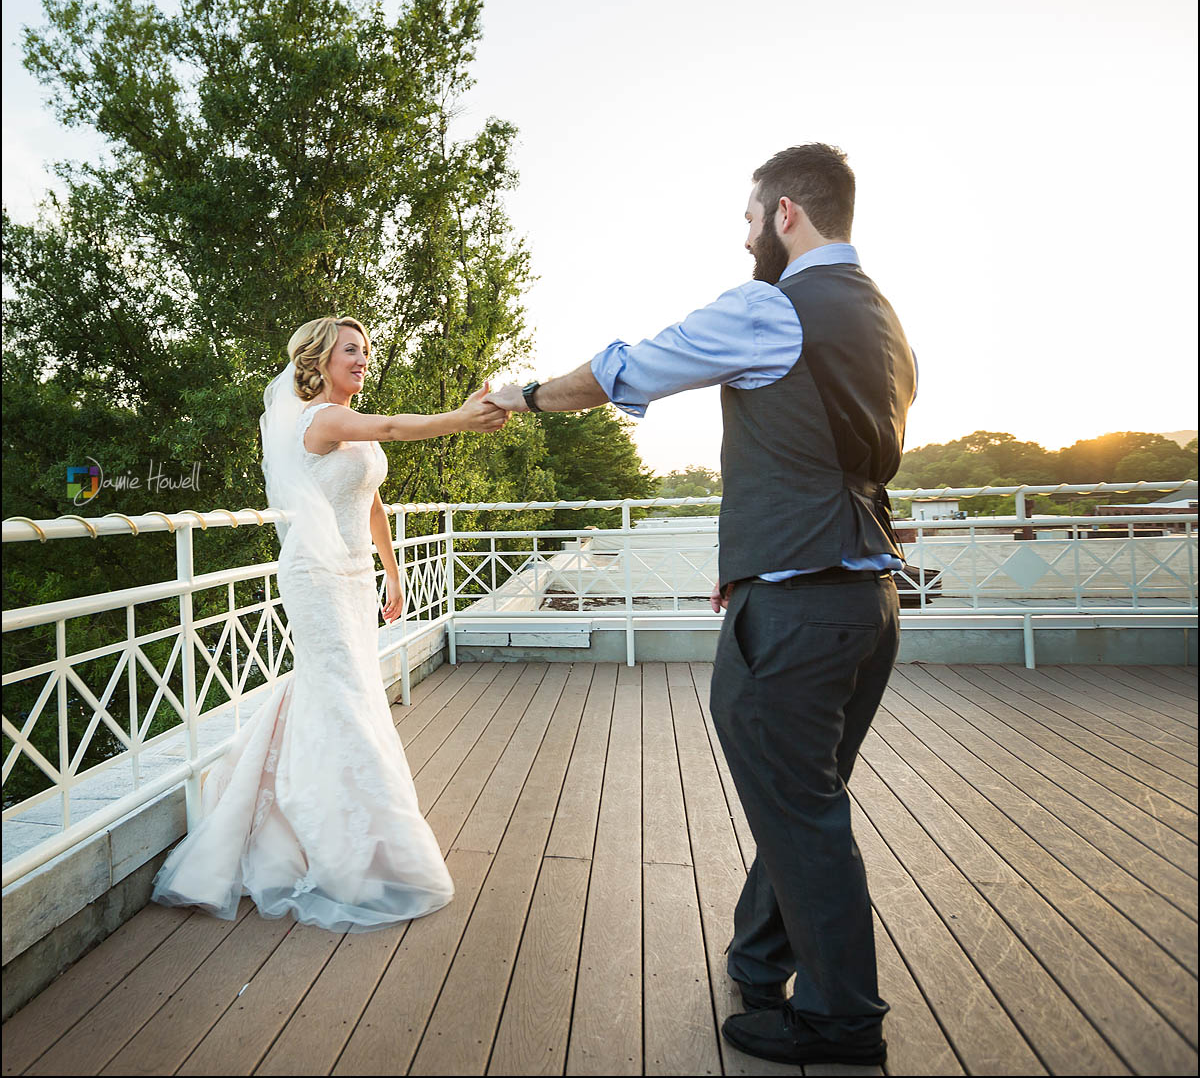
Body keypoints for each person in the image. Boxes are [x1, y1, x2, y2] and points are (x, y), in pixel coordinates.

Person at [485, 143, 915, 1068]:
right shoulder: (882, 317)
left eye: (751, 215)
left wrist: (520, 395)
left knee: (801, 810)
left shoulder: (771, 306)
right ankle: (761, 961)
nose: (747, 233)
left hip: (797, 614)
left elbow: (625, 369)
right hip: (867, 603)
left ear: (786, 214)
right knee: (803, 796)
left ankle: (843, 1020)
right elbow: (831, 456)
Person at [152, 316, 509, 931]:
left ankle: (302, 811)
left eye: (366, 351)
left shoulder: (353, 426)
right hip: (315, 578)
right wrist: (458, 418)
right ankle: (350, 851)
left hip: (352, 576)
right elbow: (398, 427)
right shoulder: (321, 419)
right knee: (342, 696)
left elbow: (371, 501)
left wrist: (392, 574)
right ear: (319, 360)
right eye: (351, 350)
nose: (363, 359)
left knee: (343, 692)